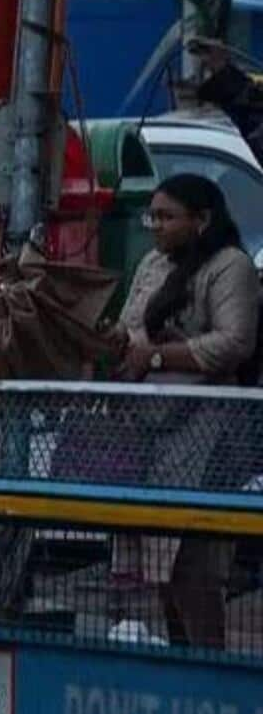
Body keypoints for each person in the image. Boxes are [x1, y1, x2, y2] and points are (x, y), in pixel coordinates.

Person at [109, 174, 260, 649]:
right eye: (152, 215)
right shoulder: (154, 264)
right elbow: (127, 328)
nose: (155, 225)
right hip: (148, 432)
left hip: (207, 433)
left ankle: (210, 672)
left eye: (167, 216)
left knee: (193, 566)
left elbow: (235, 342)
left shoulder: (229, 266)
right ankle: (180, 665)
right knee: (158, 567)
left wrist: (159, 356)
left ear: (203, 220)